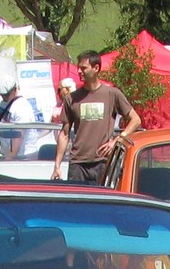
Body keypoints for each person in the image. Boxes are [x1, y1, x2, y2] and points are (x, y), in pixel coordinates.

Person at [53, 51, 139, 183]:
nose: (79, 71)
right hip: (78, 163)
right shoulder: (71, 98)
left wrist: (117, 140)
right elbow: (64, 134)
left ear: (96, 68)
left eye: (83, 68)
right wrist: (57, 166)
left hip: (103, 161)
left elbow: (135, 120)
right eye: (78, 68)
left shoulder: (112, 94)